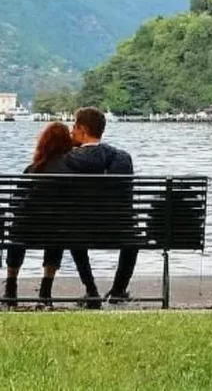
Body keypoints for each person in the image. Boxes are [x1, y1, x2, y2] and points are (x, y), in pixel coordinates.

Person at [2, 122, 101, 306]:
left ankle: (10, 291)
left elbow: (16, 203)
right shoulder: (74, 170)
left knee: (19, 228)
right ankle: (45, 292)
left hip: (25, 233)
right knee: (59, 228)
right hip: (58, 234)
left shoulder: (32, 169)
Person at [65, 106, 138, 304]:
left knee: (71, 232)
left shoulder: (69, 158)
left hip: (83, 231)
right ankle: (118, 291)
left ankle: (91, 290)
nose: (71, 131)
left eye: (74, 127)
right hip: (121, 230)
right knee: (134, 232)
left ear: (81, 129)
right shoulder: (124, 158)